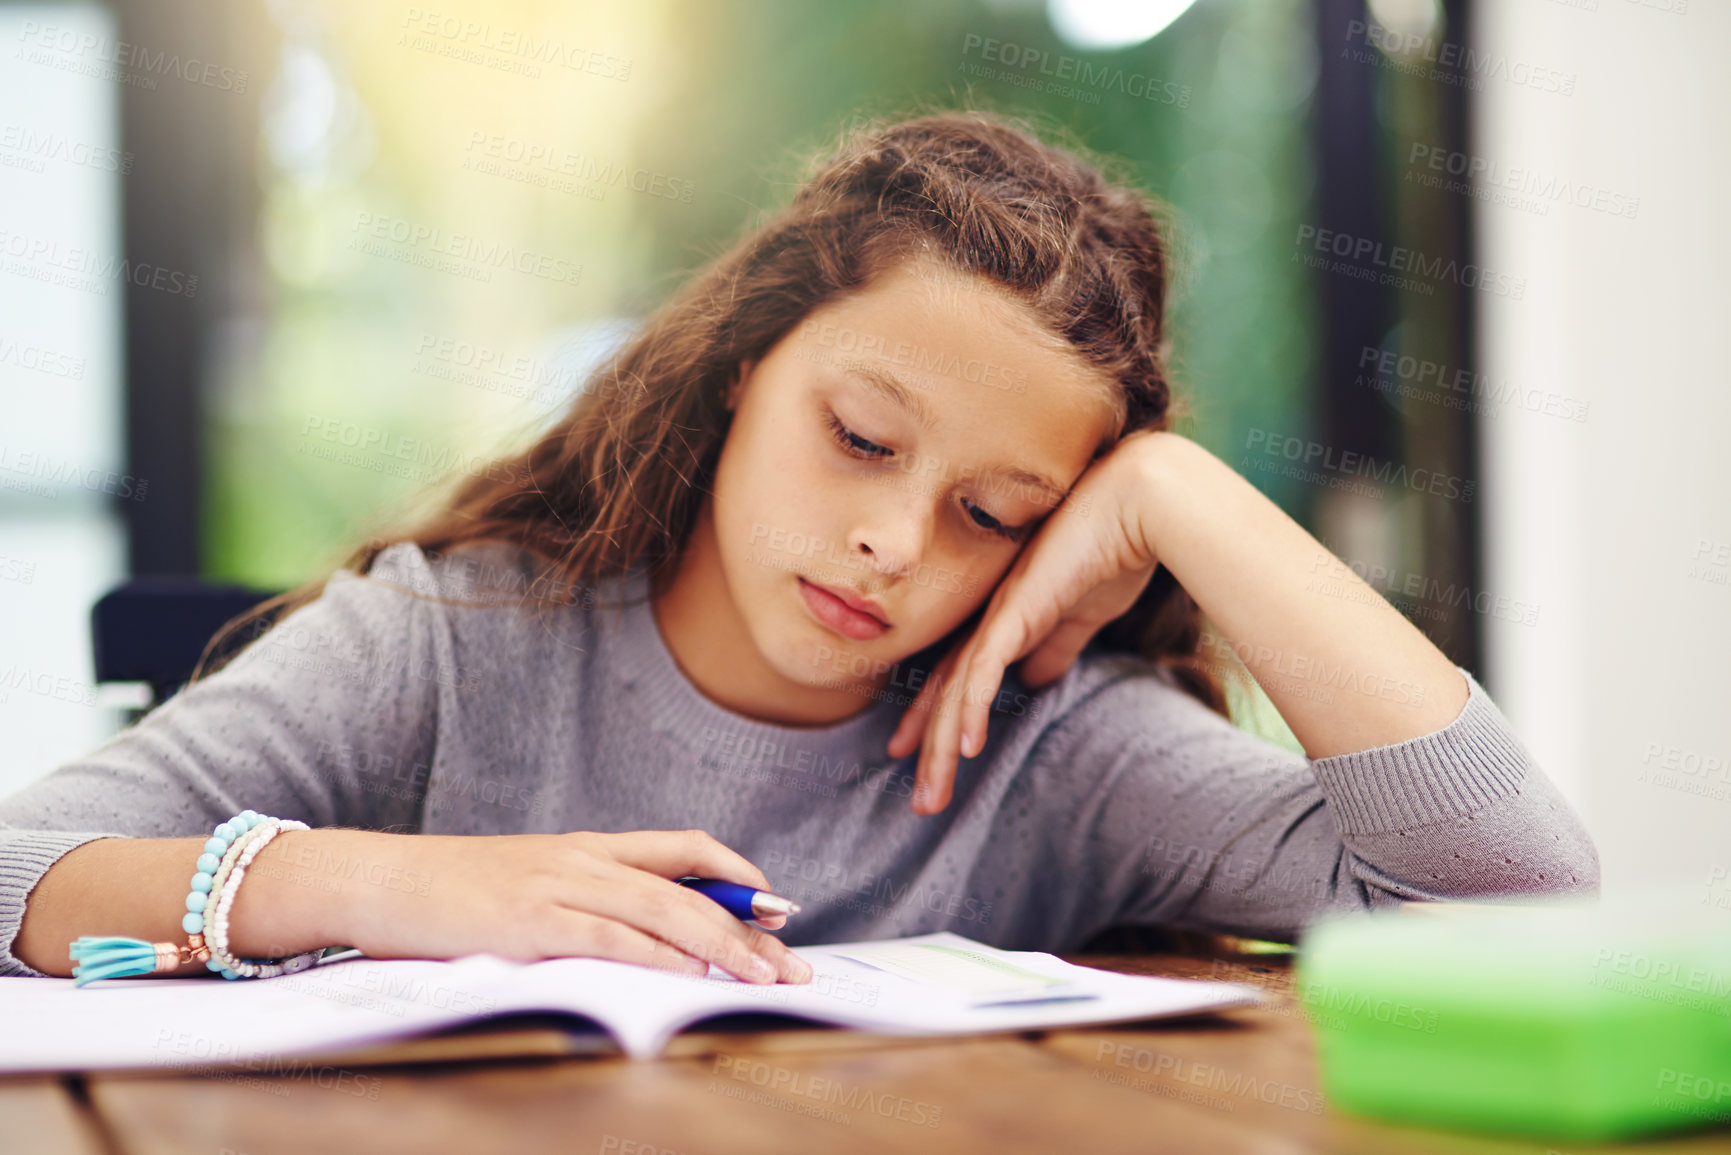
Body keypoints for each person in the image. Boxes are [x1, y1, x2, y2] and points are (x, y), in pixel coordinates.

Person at [0, 110, 1597, 987]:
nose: (892, 543)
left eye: (996, 515)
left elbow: (1517, 882)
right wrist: (419, 887)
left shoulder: (1052, 755)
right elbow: (14, 875)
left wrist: (1182, 496)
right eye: (860, 437)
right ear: (741, 368)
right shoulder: (450, 644)